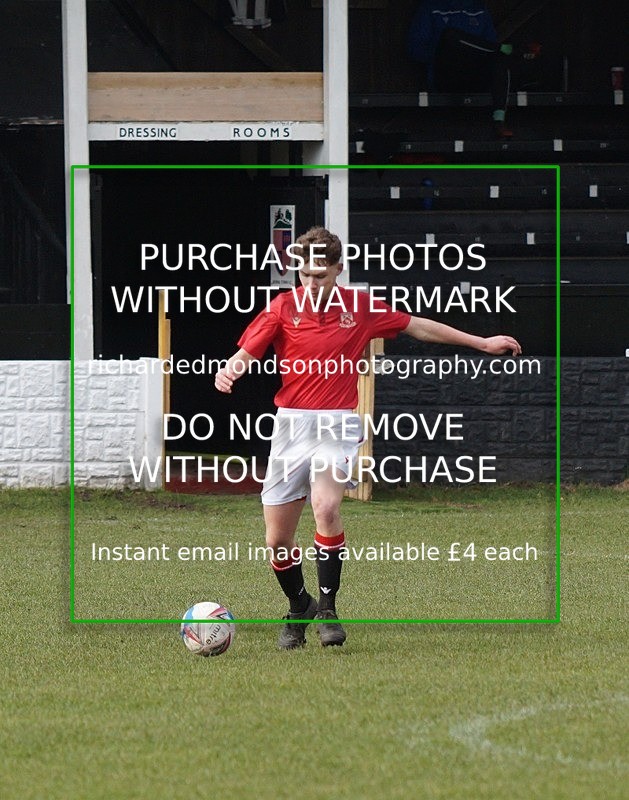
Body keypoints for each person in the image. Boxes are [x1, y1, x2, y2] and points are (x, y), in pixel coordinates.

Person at [215, 227, 521, 649]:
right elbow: (247, 352)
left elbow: (418, 326)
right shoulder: (282, 307)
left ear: (338, 269)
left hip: (337, 423)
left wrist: (481, 343)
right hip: (291, 427)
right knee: (277, 540)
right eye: (304, 275)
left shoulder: (360, 308)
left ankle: (328, 609)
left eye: (320, 275)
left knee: (326, 506)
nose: (311, 283)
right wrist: (229, 370)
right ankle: (299, 604)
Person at [408, 0, 540, 138]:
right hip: (446, 76)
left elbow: (490, 47)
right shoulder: (431, 7)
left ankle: (499, 120)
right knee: (450, 36)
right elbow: (414, 49)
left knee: (498, 58)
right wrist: (443, 54)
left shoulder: (478, 9)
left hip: (473, 76)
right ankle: (508, 49)